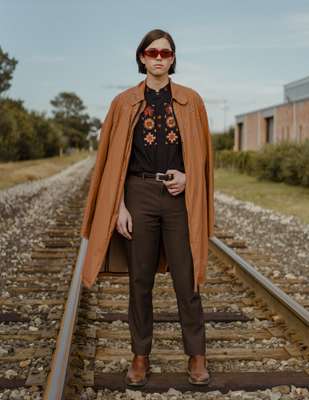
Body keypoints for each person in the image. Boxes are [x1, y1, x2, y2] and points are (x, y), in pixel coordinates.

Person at [113, 29, 212, 387]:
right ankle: (140, 356)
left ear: (172, 59)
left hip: (177, 199)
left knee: (188, 279)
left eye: (165, 53)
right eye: (151, 52)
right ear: (141, 57)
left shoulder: (191, 101)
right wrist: (118, 206)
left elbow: (201, 157)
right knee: (140, 281)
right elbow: (113, 163)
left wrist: (188, 178)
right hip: (138, 194)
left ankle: (196, 355)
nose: (158, 58)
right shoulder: (124, 102)